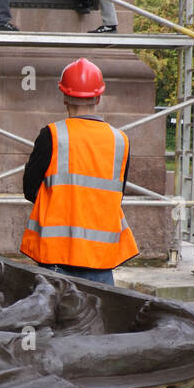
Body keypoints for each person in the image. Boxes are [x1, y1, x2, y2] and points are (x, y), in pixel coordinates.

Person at [20, 57, 138, 286]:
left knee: (56, 321)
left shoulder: (52, 135)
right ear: (99, 97)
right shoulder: (120, 140)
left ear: (64, 96)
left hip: (57, 257)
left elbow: (29, 189)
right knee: (98, 320)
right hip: (101, 260)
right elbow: (117, 193)